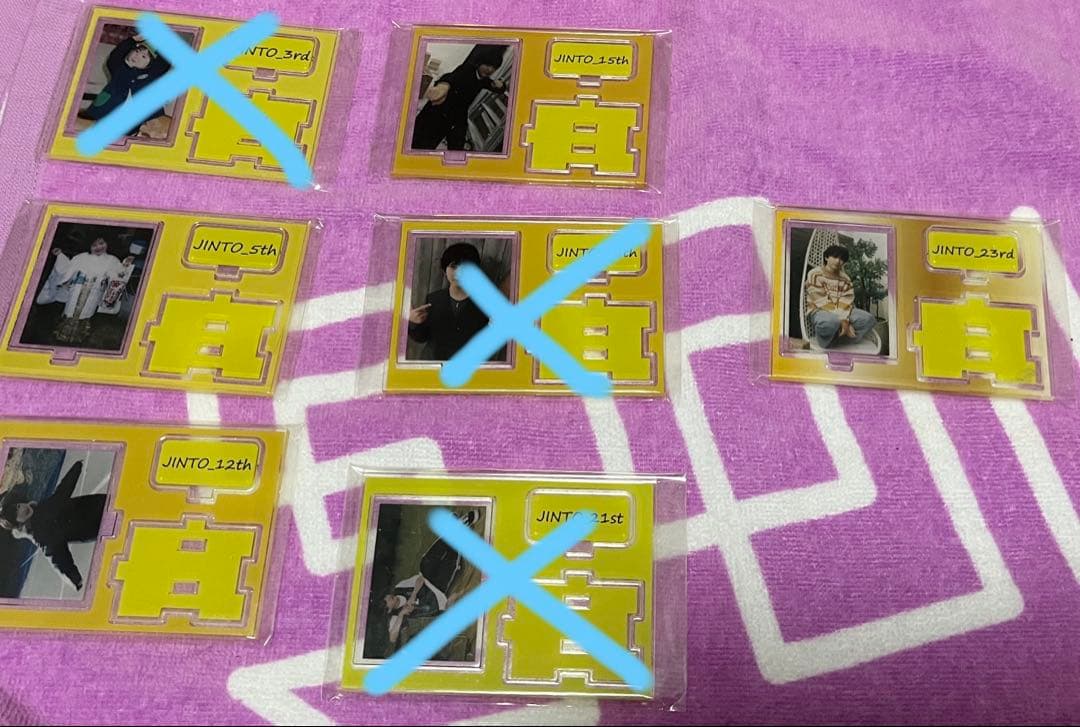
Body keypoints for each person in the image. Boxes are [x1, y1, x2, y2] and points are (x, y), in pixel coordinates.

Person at [381, 509, 481, 652]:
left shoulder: (399, 588)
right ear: (390, 609)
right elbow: (392, 637)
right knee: (453, 557)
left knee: (426, 562)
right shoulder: (396, 616)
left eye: (386, 596)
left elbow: (420, 579)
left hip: (427, 575)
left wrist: (413, 595)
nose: (388, 596)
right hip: (438, 590)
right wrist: (402, 613)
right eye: (386, 601)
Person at [0, 461, 105, 592]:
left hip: (98, 503)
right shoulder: (41, 535)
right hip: (96, 525)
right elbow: (58, 557)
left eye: (18, 506)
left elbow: (62, 492)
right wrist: (74, 578)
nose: (21, 509)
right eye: (16, 514)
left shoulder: (42, 508)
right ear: (18, 523)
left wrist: (76, 469)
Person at [407, 243, 506, 362]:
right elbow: (423, 337)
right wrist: (414, 323)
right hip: (435, 364)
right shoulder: (433, 299)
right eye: (453, 266)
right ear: (444, 270)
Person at [411, 44, 509, 151]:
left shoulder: (482, 80)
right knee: (418, 140)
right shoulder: (467, 69)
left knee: (440, 143)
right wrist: (443, 86)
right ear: (480, 62)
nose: (490, 70)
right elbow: (451, 77)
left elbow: (498, 88)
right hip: (438, 111)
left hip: (455, 115)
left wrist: (501, 85)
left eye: (494, 68)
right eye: (488, 65)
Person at [38, 237, 134, 346]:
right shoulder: (81, 257)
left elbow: (118, 274)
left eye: (101, 243)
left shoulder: (112, 260)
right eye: (94, 245)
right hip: (77, 290)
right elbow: (66, 269)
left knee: (85, 315)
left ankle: (79, 339)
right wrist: (60, 255)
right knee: (70, 313)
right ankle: (61, 337)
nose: (98, 247)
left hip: (94, 293)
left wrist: (126, 264)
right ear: (89, 246)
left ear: (107, 243)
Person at [77, 33, 172, 138]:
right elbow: (115, 57)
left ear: (151, 65)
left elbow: (164, 64)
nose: (136, 56)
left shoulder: (150, 77)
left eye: (143, 56)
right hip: (98, 115)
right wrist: (132, 40)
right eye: (137, 51)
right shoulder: (120, 69)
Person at [804, 243, 877, 349]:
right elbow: (821, 301)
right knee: (831, 322)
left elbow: (846, 302)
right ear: (826, 257)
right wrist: (843, 320)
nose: (838, 261)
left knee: (869, 319)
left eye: (842, 259)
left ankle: (838, 338)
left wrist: (844, 319)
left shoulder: (845, 279)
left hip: (843, 310)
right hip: (820, 310)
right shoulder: (815, 274)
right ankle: (828, 341)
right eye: (835, 257)